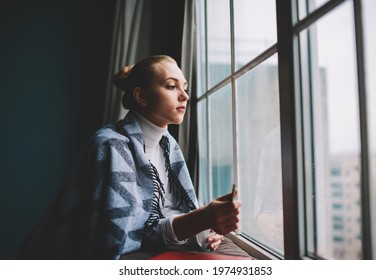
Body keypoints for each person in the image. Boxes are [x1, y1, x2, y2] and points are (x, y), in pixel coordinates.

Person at [17, 55, 241, 260]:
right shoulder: (109, 144)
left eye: (184, 87)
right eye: (171, 86)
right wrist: (200, 219)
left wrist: (201, 231)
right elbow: (126, 233)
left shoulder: (168, 145)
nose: (185, 95)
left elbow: (165, 213)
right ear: (141, 96)